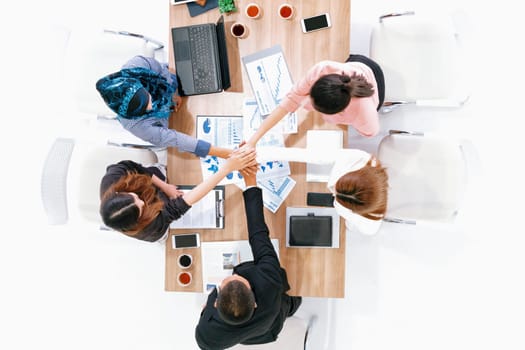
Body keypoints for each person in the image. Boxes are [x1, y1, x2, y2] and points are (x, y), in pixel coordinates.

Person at [194, 165, 302, 349]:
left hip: (252, 333)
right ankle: (293, 306)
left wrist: (206, 311)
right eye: (238, 279)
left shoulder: (206, 336)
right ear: (254, 304)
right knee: (290, 303)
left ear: (217, 302)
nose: (233, 274)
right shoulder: (269, 278)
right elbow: (258, 233)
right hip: (270, 326)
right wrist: (250, 182)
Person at [99, 148, 256, 242]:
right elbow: (182, 204)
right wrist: (226, 169)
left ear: (119, 192)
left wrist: (165, 186)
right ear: (135, 222)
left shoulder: (112, 178)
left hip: (154, 182)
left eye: (136, 198)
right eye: (141, 208)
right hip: (159, 221)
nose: (142, 202)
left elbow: (135, 168)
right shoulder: (149, 227)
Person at [96, 55, 231, 159]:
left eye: (148, 99)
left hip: (174, 85)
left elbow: (162, 70)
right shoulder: (137, 126)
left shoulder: (137, 65)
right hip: (172, 121)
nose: (150, 108)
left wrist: (172, 92)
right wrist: (222, 152)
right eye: (144, 110)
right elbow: (175, 139)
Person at [247, 54, 385, 146]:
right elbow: (288, 102)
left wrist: (344, 120)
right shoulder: (321, 70)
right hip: (358, 65)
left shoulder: (365, 113)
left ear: (338, 111)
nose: (306, 105)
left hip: (374, 81)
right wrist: (252, 141)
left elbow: (370, 133)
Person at [256, 146, 388, 235]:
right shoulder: (358, 158)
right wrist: (258, 153)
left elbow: (353, 225)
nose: (332, 191)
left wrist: (347, 219)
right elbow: (311, 155)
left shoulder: (369, 225)